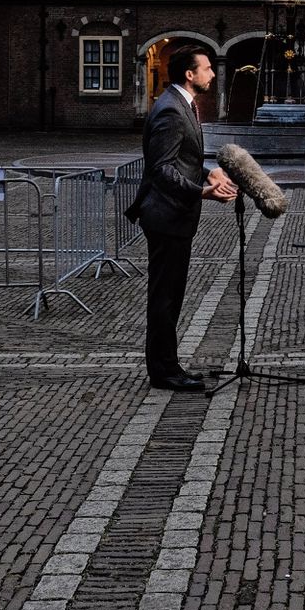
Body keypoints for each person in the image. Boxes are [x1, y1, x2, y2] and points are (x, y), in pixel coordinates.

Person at [125, 46, 237, 390]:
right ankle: (164, 372)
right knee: (165, 298)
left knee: (170, 296)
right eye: (206, 68)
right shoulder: (172, 111)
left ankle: (168, 366)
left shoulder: (180, 105)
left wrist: (207, 174)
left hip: (173, 216)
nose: (213, 74)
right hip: (166, 216)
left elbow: (180, 161)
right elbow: (161, 169)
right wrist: (201, 191)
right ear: (190, 75)